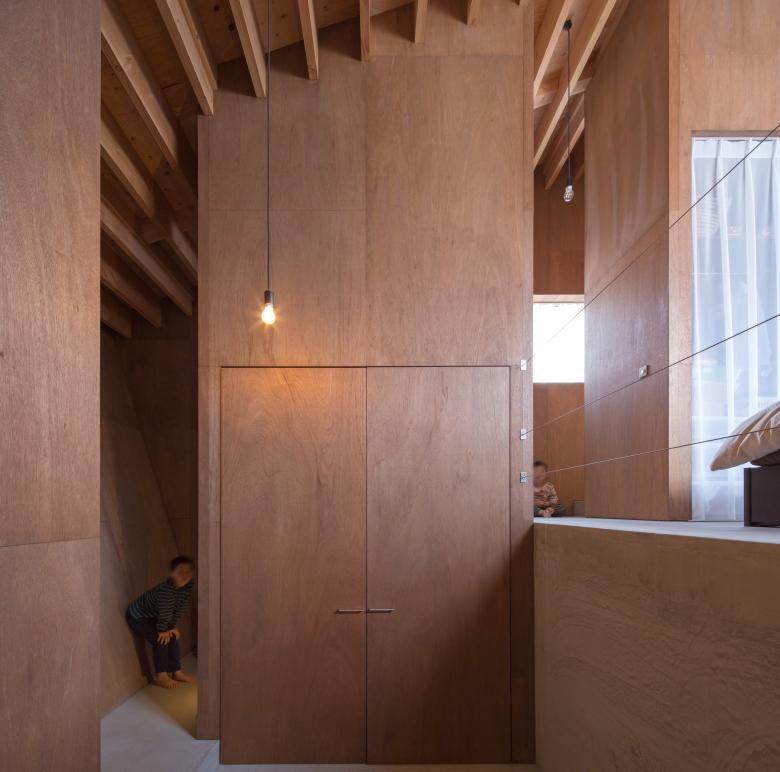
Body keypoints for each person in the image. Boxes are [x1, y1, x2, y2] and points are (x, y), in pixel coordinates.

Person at [126, 556, 195, 689]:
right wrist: (163, 630)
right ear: (172, 573)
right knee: (161, 639)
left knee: (172, 637)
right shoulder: (166, 590)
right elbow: (166, 612)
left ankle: (176, 672)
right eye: (180, 571)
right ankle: (161, 675)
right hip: (137, 616)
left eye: (188, 572)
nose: (185, 575)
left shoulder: (188, 586)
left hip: (154, 616)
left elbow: (179, 608)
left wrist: (172, 627)